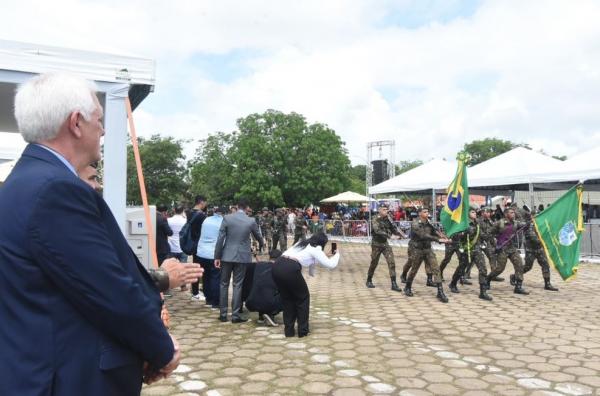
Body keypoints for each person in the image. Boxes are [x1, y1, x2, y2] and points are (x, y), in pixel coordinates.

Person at [0, 72, 179, 395]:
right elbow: (109, 291)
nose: (104, 129)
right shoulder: (55, 191)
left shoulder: (23, 183)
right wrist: (161, 350)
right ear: (76, 123)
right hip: (71, 379)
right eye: (99, 118)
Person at [273, 233, 340, 337]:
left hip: (277, 266)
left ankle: (289, 331)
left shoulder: (301, 244)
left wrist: (325, 255)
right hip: (290, 269)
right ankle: (303, 331)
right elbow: (331, 265)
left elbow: (309, 259)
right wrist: (337, 254)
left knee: (288, 300)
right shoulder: (315, 249)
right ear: (322, 243)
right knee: (303, 298)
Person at [214, 199, 264, 323]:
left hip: (226, 255)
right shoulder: (251, 220)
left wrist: (217, 256)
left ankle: (223, 314)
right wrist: (262, 245)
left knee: (223, 284)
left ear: (236, 207)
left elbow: (220, 239)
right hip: (242, 257)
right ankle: (235, 315)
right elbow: (258, 236)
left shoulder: (227, 218)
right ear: (247, 208)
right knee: (238, 285)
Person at [404, 208, 450, 303]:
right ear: (420, 213)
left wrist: (442, 236)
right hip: (417, 249)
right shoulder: (415, 223)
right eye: (424, 212)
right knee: (414, 269)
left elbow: (434, 232)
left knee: (436, 268)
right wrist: (438, 240)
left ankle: (440, 292)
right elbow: (423, 235)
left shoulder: (429, 223)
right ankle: (407, 286)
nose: (427, 213)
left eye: (427, 212)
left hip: (428, 249)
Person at [447, 208, 493, 301]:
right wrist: (464, 233)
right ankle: (453, 283)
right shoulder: (463, 224)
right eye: (472, 212)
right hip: (467, 249)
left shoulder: (478, 223)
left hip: (477, 249)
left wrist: (492, 234)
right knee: (461, 269)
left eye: (475, 212)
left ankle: (483, 292)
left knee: (483, 269)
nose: (475, 213)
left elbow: (482, 235)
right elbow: (454, 236)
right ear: (467, 214)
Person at [486, 207, 529, 294]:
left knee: (519, 265)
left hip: (512, 249)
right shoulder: (500, 223)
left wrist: (529, 222)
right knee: (500, 269)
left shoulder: (516, 223)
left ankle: (518, 286)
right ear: (506, 214)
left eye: (514, 212)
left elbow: (524, 226)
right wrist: (494, 242)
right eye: (511, 212)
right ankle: (488, 279)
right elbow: (488, 233)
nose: (514, 214)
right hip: (502, 249)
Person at [366, 204, 405, 291]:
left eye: (386, 209)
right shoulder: (375, 219)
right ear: (379, 210)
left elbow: (393, 228)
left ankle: (394, 284)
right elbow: (377, 231)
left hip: (385, 244)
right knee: (374, 263)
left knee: (391, 262)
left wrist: (399, 234)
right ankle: (369, 280)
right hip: (376, 244)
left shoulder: (388, 218)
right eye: (383, 209)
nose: (386, 211)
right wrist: (390, 236)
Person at [196, 206, 226, 308]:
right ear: (223, 213)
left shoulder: (206, 220)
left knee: (206, 276)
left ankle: (208, 299)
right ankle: (215, 302)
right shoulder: (223, 221)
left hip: (201, 252)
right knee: (216, 277)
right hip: (214, 254)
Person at [522, 211, 559, 291]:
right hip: (530, 249)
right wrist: (545, 241)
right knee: (528, 267)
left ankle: (547, 284)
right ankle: (515, 276)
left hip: (539, 249)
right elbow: (533, 237)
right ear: (532, 216)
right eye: (535, 216)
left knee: (545, 264)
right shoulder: (529, 225)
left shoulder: (541, 225)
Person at [189, 195, 208, 301]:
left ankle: (195, 290)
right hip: (200, 244)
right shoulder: (201, 216)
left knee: (195, 267)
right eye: (205, 202)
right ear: (201, 202)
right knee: (201, 269)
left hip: (193, 243)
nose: (206, 205)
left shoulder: (189, 213)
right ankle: (197, 292)